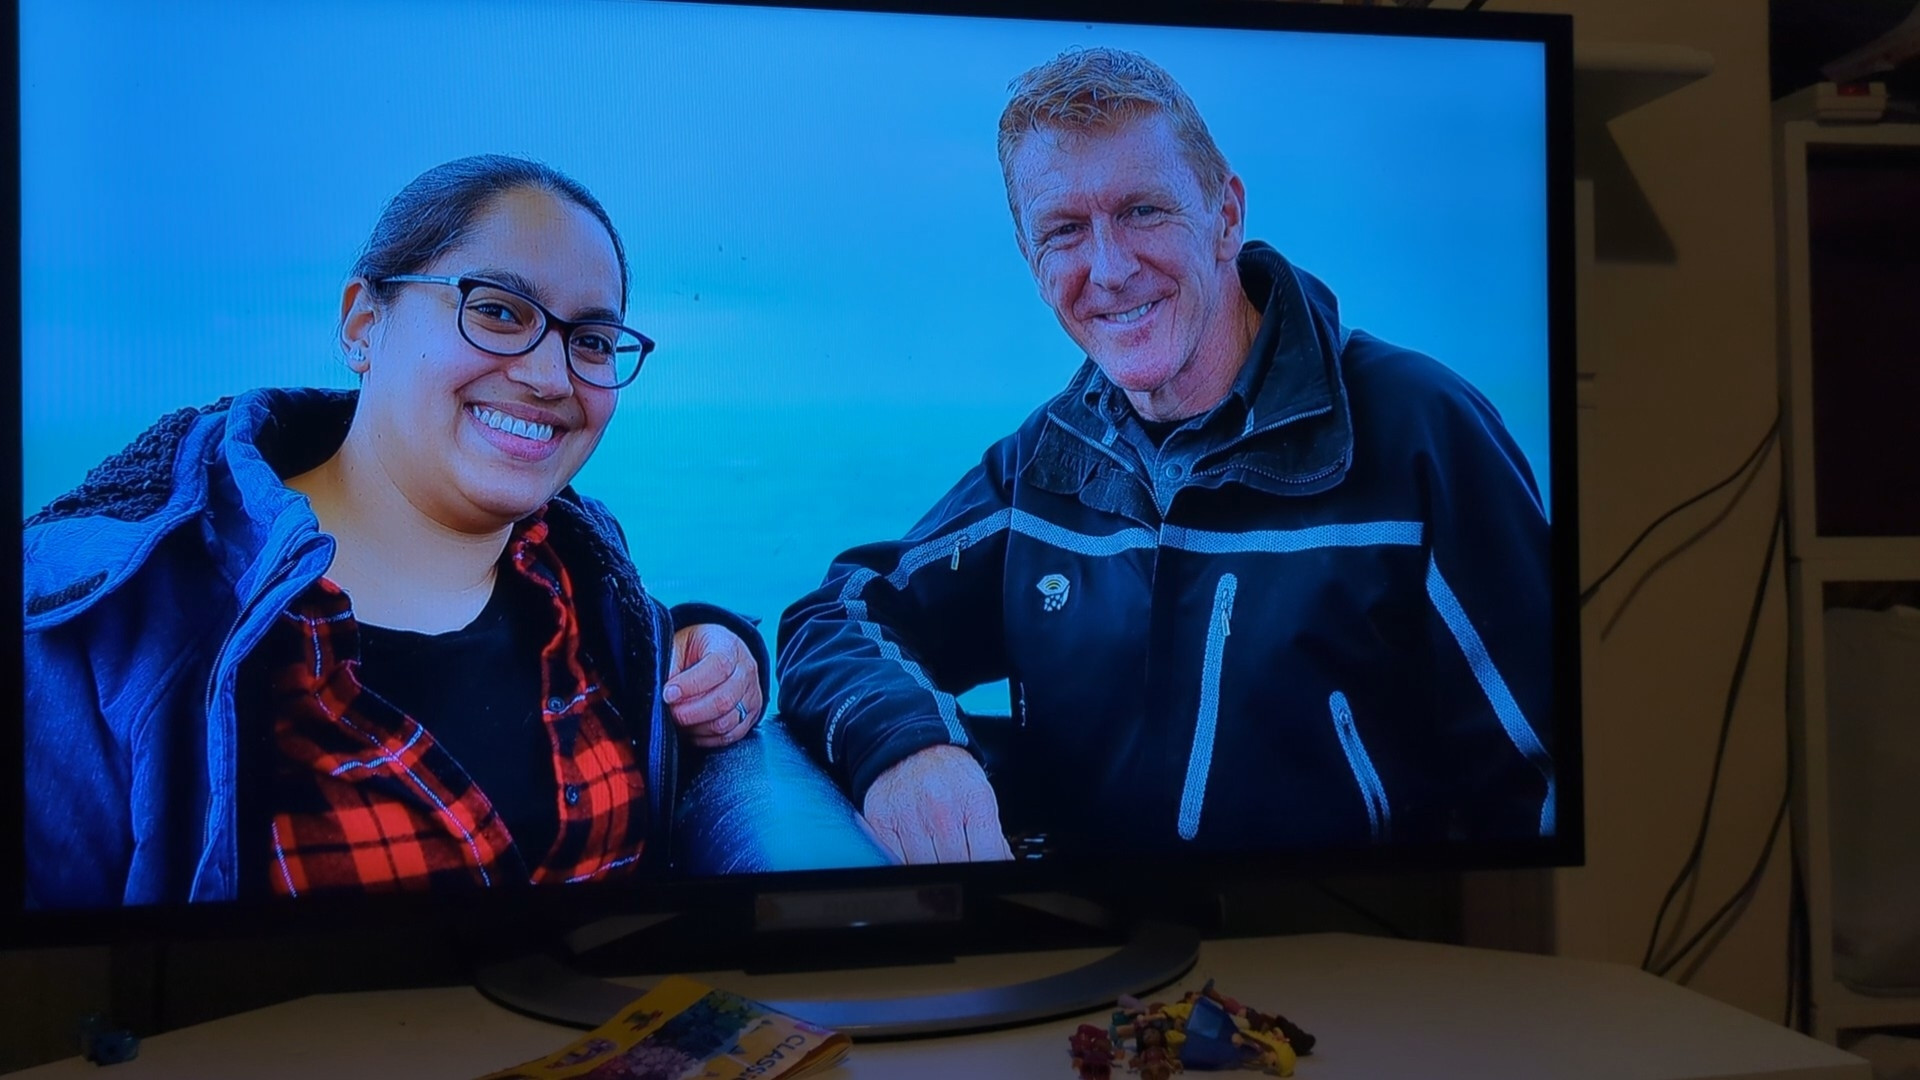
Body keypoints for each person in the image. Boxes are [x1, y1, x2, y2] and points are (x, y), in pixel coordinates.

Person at [775, 48, 1555, 863]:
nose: (1109, 269)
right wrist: (908, 747)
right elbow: (839, 613)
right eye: (1065, 231)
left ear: (1225, 215)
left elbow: (1539, 780)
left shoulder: (1418, 430)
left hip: (1346, 959)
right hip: (1097, 960)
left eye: (1144, 211)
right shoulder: (1052, 459)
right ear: (1029, 258)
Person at [24, 155, 768, 907]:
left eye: (593, 341)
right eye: (499, 310)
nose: (550, 376)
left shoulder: (584, 580)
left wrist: (712, 651)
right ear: (362, 323)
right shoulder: (110, 622)